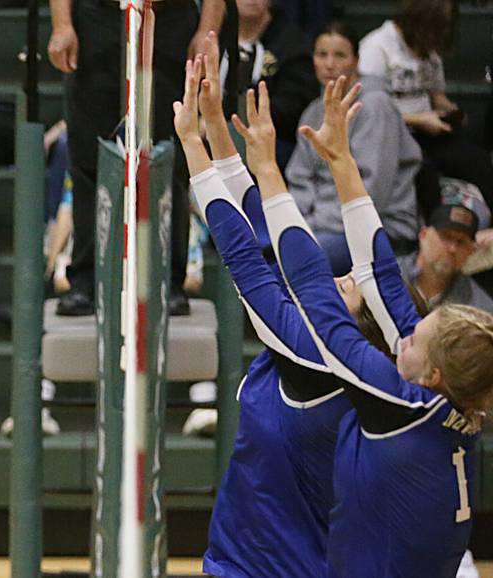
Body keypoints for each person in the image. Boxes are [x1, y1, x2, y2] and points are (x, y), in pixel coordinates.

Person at [173, 35, 426, 577]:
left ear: (352, 331)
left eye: (350, 288)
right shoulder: (323, 353)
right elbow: (265, 235)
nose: (338, 279)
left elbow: (243, 259)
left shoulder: (313, 362)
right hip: (249, 561)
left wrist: (193, 145)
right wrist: (219, 127)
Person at [233, 75, 491, 576]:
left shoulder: (405, 409)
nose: (406, 332)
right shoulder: (443, 402)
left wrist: (267, 171)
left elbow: (315, 292)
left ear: (432, 374)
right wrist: (342, 162)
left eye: (416, 336)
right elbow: (383, 279)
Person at [47, 0, 226, 316]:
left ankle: (169, 280)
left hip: (169, 17)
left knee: (170, 157)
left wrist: (206, 30)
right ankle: (86, 280)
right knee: (89, 157)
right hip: (97, 17)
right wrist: (62, 24)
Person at [286, 21, 420, 275]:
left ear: (356, 61)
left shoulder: (375, 107)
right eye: (321, 54)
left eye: (340, 55)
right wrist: (299, 225)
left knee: (295, 265)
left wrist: (312, 228)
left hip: (379, 229)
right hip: (321, 227)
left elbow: (371, 190)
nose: (329, 64)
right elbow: (299, 177)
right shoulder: (313, 111)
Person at [359, 0, 493, 220]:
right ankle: (434, 234)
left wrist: (450, 111)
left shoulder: (428, 50)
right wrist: (419, 120)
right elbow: (369, 110)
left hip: (429, 129)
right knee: (424, 170)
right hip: (391, 133)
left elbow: (435, 94)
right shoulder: (377, 47)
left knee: (477, 161)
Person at [220, 0, 320, 170]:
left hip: (274, 148)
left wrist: (230, 124)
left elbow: (293, 107)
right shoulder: (211, 37)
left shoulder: (293, 45)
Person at [399, 203, 493, 314]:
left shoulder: (480, 310)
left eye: (461, 242)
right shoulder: (386, 274)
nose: (453, 248)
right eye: (446, 236)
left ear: (471, 251)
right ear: (423, 235)